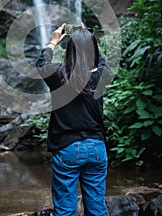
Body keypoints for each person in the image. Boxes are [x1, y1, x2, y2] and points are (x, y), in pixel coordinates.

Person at [36, 23, 110, 216]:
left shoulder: (57, 74)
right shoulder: (102, 74)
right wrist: (86, 37)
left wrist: (53, 42)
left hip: (66, 148)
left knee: (65, 210)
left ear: (69, 50)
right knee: (97, 207)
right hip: (96, 148)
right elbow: (100, 60)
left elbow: (41, 64)